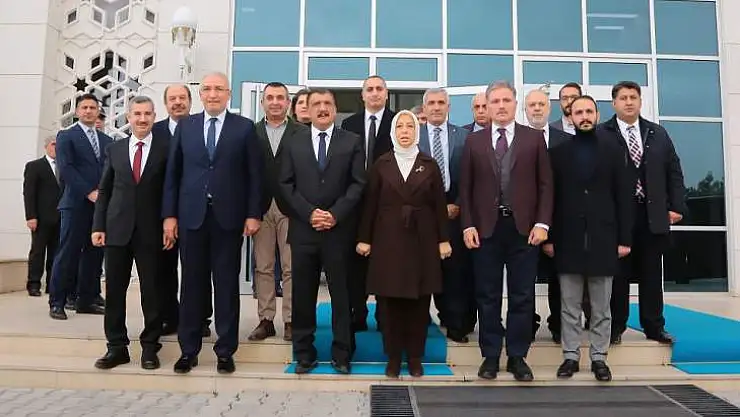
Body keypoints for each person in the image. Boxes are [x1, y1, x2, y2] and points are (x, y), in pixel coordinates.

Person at [163, 72, 263, 374]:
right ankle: (188, 350)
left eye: (219, 89)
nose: (213, 94)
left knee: (226, 285)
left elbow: (254, 175)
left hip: (228, 219)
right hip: (191, 217)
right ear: (201, 94)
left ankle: (225, 351)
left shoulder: (244, 128)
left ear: (229, 94)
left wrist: (253, 214)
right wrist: (169, 216)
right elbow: (173, 174)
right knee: (191, 285)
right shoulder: (186, 126)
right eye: (207, 89)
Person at [460, 80, 553, 381]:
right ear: (487, 106)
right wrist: (468, 224)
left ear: (515, 104)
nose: (500, 106)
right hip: (486, 229)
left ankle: (517, 356)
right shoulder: (473, 141)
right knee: (487, 295)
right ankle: (490, 355)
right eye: (495, 101)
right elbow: (465, 188)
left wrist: (542, 223)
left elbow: (545, 185)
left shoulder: (533, 139)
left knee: (522, 295)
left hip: (523, 229)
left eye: (506, 100)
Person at [357, 110, 451, 378]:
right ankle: (394, 357)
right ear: (393, 132)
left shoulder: (429, 164)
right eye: (400, 126)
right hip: (388, 240)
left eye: (410, 126)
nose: (405, 131)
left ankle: (415, 357)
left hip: (423, 240)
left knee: (419, 304)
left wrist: (444, 239)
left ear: (417, 131)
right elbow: (370, 204)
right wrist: (364, 238)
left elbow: (439, 206)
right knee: (389, 305)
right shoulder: (381, 164)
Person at [545, 96, 633, 382]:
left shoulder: (614, 150)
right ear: (570, 116)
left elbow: (624, 197)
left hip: (604, 238)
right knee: (569, 306)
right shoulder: (558, 153)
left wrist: (624, 238)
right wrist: (549, 237)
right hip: (567, 238)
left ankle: (599, 358)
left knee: (601, 307)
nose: (584, 116)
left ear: (597, 114)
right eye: (578, 112)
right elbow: (551, 198)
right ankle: (570, 356)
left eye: (588, 111)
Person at [279, 88, 365, 375]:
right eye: (316, 103)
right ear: (308, 108)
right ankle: (304, 352)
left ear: (335, 108)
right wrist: (309, 213)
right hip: (304, 231)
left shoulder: (351, 141)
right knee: (303, 295)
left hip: (339, 232)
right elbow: (285, 184)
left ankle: (342, 353)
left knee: (342, 295)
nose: (322, 108)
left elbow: (358, 184)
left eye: (328, 103)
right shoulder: (293, 142)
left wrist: (334, 214)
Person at [92, 95, 173, 371]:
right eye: (137, 114)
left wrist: (169, 222)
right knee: (115, 291)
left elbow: (170, 190)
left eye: (147, 114)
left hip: (151, 232)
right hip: (116, 230)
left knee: (152, 291)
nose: (142, 119)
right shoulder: (115, 149)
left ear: (154, 117)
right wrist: (98, 226)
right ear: (128, 117)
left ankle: (150, 347)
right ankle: (116, 347)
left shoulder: (166, 149)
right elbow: (105, 190)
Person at [602, 81, 686, 346]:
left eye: (633, 97)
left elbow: (674, 171)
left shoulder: (657, 133)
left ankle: (654, 326)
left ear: (640, 101)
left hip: (651, 214)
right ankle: (615, 326)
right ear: (614, 103)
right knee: (618, 275)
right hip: (617, 216)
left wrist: (677, 206)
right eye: (623, 98)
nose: (629, 102)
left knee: (651, 274)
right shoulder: (602, 134)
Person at [152, 84, 213, 338]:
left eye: (182, 98)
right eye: (172, 99)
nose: (177, 102)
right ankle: (170, 316)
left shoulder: (202, 127)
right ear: (165, 103)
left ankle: (201, 317)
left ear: (190, 100)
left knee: (198, 268)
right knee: (164, 267)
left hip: (196, 211)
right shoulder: (154, 131)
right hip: (161, 211)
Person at [249, 82, 307, 342]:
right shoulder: (251, 132)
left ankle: (291, 320)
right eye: (270, 97)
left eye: (280, 97)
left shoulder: (301, 132)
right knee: (263, 266)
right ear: (262, 102)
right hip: (260, 208)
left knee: (291, 267)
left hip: (291, 208)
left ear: (288, 102)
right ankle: (266, 319)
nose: (275, 102)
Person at [418, 88, 475, 343]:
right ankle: (420, 323)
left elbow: (473, 176)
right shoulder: (414, 136)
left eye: (441, 102)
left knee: (454, 273)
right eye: (431, 103)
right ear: (424, 108)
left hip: (454, 212)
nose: (436, 107)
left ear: (448, 107)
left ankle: (454, 325)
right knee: (423, 271)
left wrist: (458, 204)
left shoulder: (464, 136)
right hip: (422, 215)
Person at [48, 93, 112, 320]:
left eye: (92, 108)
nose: (88, 111)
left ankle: (87, 300)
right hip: (75, 204)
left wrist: (103, 195)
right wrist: (89, 192)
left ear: (98, 111)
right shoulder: (66, 136)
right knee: (68, 253)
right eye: (84, 107)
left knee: (94, 255)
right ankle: (57, 301)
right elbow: (66, 169)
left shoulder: (106, 140)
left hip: (99, 207)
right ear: (77, 111)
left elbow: (109, 171)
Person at [341, 75, 396, 332]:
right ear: (362, 95)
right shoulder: (349, 124)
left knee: (386, 262)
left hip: (388, 204)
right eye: (369, 89)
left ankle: (385, 315)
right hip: (355, 204)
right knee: (355, 264)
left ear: (386, 93)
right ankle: (358, 314)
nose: (374, 93)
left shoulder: (397, 122)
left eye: (379, 89)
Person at [23, 136, 61, 296]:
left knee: (56, 253)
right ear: (46, 146)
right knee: (38, 252)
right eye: (53, 144)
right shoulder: (35, 166)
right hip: (41, 218)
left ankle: (52, 285)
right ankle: (33, 284)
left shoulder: (65, 167)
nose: (56, 147)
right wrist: (31, 216)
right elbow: (29, 193)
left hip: (60, 218)